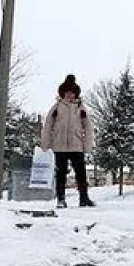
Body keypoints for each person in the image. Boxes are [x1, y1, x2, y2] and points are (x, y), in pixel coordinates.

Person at [40, 74, 95, 208]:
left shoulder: (81, 108)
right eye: (67, 93)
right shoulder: (56, 108)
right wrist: (45, 144)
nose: (70, 95)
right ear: (63, 93)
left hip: (76, 146)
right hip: (59, 146)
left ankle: (84, 198)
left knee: (81, 173)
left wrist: (87, 146)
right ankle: (61, 199)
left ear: (76, 94)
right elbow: (48, 125)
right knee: (60, 173)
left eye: (72, 93)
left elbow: (88, 127)